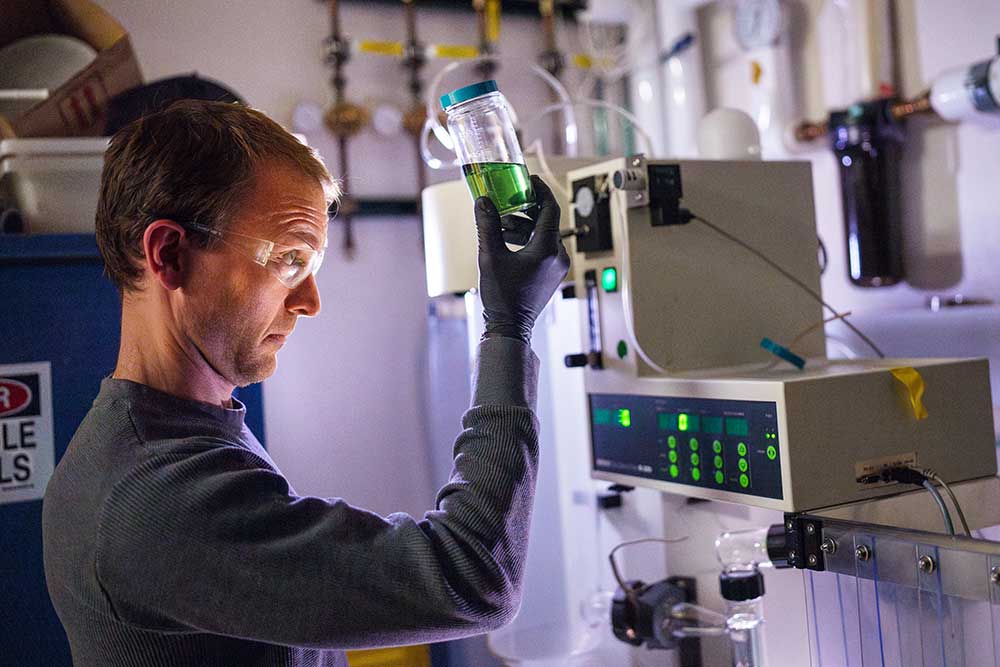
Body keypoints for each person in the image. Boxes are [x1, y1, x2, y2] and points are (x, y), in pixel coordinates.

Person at [42, 100, 569, 667]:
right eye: (289, 260)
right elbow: (472, 579)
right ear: (169, 255)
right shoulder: (156, 494)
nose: (310, 302)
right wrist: (508, 328)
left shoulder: (180, 431)